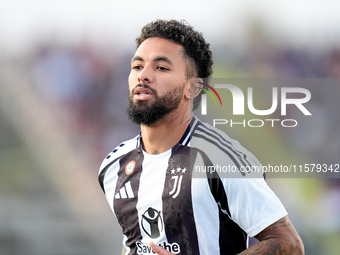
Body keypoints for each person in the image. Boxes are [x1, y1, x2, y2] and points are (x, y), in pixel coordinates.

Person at [98, 19, 304, 255]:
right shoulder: (113, 165)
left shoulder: (221, 159)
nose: (143, 75)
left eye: (161, 68)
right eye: (137, 66)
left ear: (193, 88)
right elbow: (133, 242)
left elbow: (289, 245)